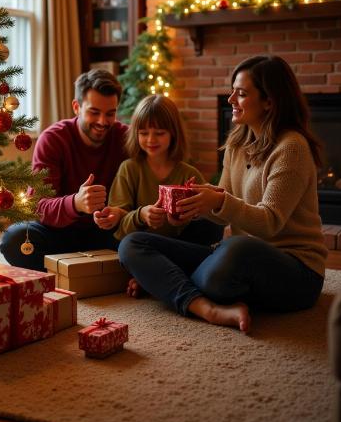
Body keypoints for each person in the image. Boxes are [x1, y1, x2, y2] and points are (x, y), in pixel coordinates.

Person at [118, 55, 327, 333]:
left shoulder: (291, 148)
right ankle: (207, 308)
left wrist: (217, 200)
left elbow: (269, 222)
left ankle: (163, 281)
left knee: (232, 253)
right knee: (132, 245)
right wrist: (198, 203)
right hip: (242, 258)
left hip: (296, 271)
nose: (230, 99)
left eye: (241, 94)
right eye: (232, 91)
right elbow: (223, 209)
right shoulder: (238, 143)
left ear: (269, 101)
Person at [95, 94, 223, 296]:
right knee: (128, 246)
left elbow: (206, 229)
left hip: (179, 248)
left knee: (213, 225)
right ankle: (166, 277)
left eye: (159, 133)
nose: (150, 140)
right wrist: (141, 214)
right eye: (144, 133)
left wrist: (181, 219)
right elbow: (119, 231)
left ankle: (155, 279)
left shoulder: (188, 173)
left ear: (173, 133)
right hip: (142, 249)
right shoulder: (129, 169)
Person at [0, 69, 129, 270]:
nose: (103, 122)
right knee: (15, 240)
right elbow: (38, 205)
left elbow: (140, 196)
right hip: (59, 234)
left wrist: (120, 213)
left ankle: (74, 270)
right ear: (76, 107)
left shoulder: (125, 138)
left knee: (143, 240)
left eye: (110, 114)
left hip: (107, 233)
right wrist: (75, 203)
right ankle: (92, 271)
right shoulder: (53, 139)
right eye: (94, 112)